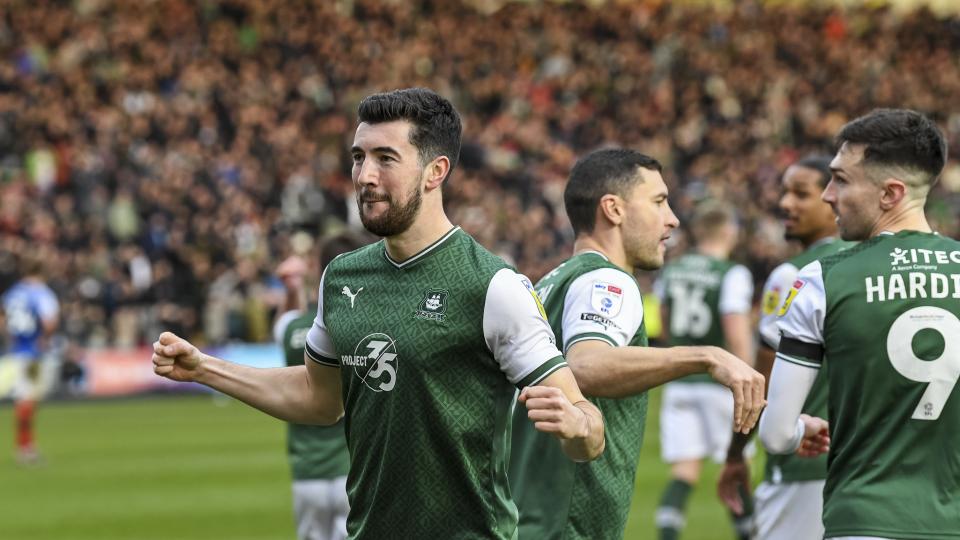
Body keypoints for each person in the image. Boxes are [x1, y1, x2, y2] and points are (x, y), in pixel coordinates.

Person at [153, 87, 606, 540]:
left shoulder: (493, 286)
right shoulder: (341, 277)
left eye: (385, 158)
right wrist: (204, 369)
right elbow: (319, 397)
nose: (364, 175)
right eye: (358, 157)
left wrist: (577, 427)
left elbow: (589, 428)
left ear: (435, 171)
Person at [509, 148, 766, 540]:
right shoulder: (606, 281)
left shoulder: (549, 283)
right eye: (659, 201)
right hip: (564, 527)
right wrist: (707, 355)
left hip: (525, 517)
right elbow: (586, 365)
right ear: (613, 209)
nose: (673, 219)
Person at [760, 108, 957, 539]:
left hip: (865, 519)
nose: (828, 194)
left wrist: (797, 432)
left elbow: (775, 434)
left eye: (841, 180)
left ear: (891, 193)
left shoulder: (820, 280)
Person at [717, 156, 853, 540]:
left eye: (800, 193)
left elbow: (762, 375)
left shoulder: (795, 275)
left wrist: (734, 454)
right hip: (869, 467)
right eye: (784, 191)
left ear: (833, 198)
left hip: (801, 466)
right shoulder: (868, 271)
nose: (785, 203)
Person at [654, 200, 756, 540]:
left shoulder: (672, 269)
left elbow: (666, 326)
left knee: (684, 470)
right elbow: (735, 331)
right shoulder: (732, 273)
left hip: (681, 381)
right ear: (729, 231)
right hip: (721, 384)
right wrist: (751, 379)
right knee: (737, 468)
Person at [273, 231, 372, 540]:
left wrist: (293, 287)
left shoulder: (293, 329)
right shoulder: (368, 326)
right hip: (353, 468)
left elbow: (284, 322)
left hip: (307, 471)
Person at [2, 255, 60, 464]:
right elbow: (49, 321)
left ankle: (25, 446)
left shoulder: (13, 293)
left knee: (24, 397)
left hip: (15, 350)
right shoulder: (41, 293)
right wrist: (45, 339)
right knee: (28, 399)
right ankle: (25, 448)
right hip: (33, 353)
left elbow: (3, 319)